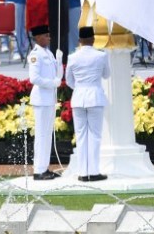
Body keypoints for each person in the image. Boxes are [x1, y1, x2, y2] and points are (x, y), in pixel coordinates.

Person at [65, 26, 110, 182]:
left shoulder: (73, 57)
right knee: (95, 136)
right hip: (95, 96)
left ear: (80, 41)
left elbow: (69, 80)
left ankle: (83, 172)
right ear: (93, 39)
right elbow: (106, 74)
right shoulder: (101, 56)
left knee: (81, 135)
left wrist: (79, 88)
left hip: (78, 97)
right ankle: (93, 171)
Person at [27, 25, 63, 181]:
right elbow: (34, 78)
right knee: (41, 135)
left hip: (49, 99)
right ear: (38, 38)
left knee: (47, 135)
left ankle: (44, 168)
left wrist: (60, 61)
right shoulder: (35, 55)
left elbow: (57, 76)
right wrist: (52, 83)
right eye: (46, 35)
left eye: (49, 35)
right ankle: (38, 170)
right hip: (41, 99)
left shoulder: (48, 53)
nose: (49, 38)